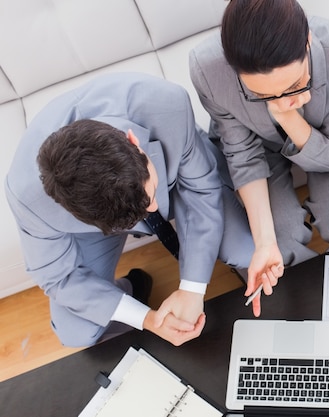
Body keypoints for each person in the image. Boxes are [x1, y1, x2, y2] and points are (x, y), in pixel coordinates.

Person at [5, 72, 254, 348]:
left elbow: (201, 191)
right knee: (74, 332)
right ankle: (131, 290)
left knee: (245, 251)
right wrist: (146, 318)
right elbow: (58, 276)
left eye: (150, 197)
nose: (155, 209)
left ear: (134, 141)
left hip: (182, 185)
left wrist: (193, 289)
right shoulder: (26, 195)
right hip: (101, 224)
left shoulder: (167, 104)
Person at [189, 0, 329, 316]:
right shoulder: (207, 70)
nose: (283, 99)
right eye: (263, 94)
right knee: (280, 241)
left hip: (320, 141)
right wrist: (264, 243)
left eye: (295, 85)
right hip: (258, 149)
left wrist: (287, 117)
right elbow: (243, 156)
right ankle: (317, 309)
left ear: (308, 41)